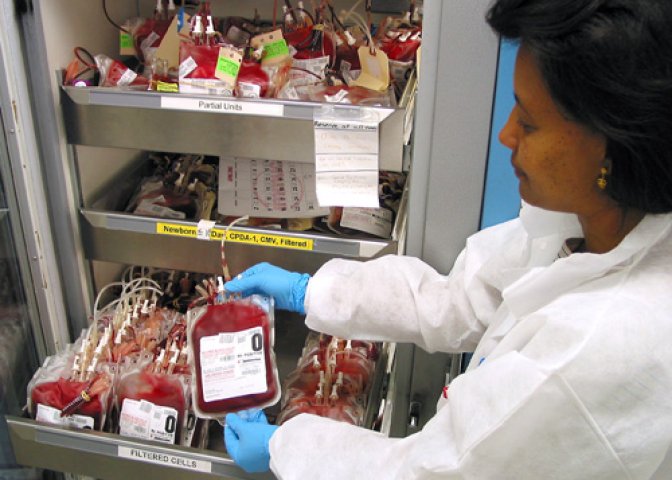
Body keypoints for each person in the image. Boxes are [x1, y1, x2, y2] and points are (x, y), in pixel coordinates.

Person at [223, 0, 672, 478]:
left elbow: (432, 472)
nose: (505, 134)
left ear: (613, 145)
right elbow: (459, 299)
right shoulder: (587, 224)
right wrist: (311, 291)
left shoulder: (599, 349)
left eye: (529, 122)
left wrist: (288, 446)